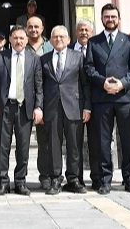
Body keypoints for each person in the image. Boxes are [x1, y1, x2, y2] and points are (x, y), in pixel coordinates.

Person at [84, 3, 130, 195]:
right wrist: (103, 82)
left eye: (113, 17)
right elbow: (89, 68)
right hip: (102, 97)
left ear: (119, 19)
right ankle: (105, 179)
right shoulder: (93, 42)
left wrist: (122, 84)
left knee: (127, 140)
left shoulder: (129, 42)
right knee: (103, 141)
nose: (110, 20)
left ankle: (129, 178)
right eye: (107, 17)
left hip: (124, 98)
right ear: (101, 19)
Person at [0, 25, 43, 196]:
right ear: (10, 40)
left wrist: (38, 106)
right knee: (2, 146)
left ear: (26, 40)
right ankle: (3, 182)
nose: (18, 41)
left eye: (22, 38)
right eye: (15, 38)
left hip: (24, 108)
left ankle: (20, 181)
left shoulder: (34, 59)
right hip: (4, 108)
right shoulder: (0, 56)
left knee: (23, 147)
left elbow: (38, 85)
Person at [41, 25, 90, 195]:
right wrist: (39, 108)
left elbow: (85, 84)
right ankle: (55, 179)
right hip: (52, 107)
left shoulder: (78, 57)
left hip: (74, 106)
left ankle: (74, 179)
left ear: (69, 39)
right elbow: (39, 86)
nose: (59, 39)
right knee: (53, 145)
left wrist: (87, 107)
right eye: (55, 37)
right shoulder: (44, 59)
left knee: (74, 145)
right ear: (51, 40)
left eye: (62, 37)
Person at [25, 15, 54, 189]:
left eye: (37, 27)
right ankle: (20, 178)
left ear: (43, 29)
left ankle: (46, 175)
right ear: (26, 28)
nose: (34, 30)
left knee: (46, 142)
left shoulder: (51, 46)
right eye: (30, 27)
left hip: (47, 101)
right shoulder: (20, 45)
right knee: (22, 144)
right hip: (24, 100)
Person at [70, 19, 95, 187]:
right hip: (73, 104)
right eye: (80, 29)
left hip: (97, 102)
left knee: (96, 142)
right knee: (75, 144)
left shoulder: (97, 48)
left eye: (86, 30)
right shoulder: (69, 49)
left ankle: (97, 177)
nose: (84, 32)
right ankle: (76, 178)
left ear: (91, 32)